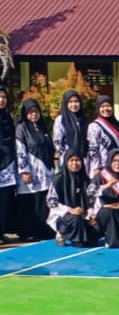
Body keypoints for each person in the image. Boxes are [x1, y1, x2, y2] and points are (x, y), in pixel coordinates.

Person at [15, 98, 55, 240]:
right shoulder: (22, 129)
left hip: (45, 171)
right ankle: (27, 232)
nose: (34, 115)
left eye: (36, 112)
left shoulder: (42, 127)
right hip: (30, 171)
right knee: (30, 202)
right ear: (25, 113)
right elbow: (20, 151)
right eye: (31, 112)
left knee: (43, 201)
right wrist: (24, 171)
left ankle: (44, 231)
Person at [46, 151, 100, 247]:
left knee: (95, 231)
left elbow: (92, 200)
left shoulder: (86, 180)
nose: (75, 163)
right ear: (66, 162)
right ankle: (61, 232)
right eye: (71, 160)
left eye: (77, 160)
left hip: (84, 214)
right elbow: (51, 201)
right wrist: (70, 210)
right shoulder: (58, 180)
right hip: (64, 215)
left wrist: (91, 213)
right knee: (76, 221)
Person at [87, 149, 119, 248]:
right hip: (104, 214)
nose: (118, 163)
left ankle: (117, 237)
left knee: (115, 214)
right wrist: (106, 186)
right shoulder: (101, 176)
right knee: (109, 211)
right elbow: (89, 193)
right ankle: (113, 240)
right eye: (114, 161)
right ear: (109, 162)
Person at [87, 95, 119, 178]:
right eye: (103, 106)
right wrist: (96, 167)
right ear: (98, 109)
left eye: (108, 106)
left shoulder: (116, 124)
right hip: (103, 167)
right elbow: (93, 148)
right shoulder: (94, 126)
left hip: (118, 165)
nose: (106, 109)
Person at [0, 86, 16, 243]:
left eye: (3, 97)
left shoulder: (8, 118)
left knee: (4, 200)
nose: (1, 100)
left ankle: (1, 231)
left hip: (7, 165)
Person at [52, 90, 88, 161]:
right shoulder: (61, 120)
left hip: (84, 159)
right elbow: (57, 141)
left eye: (76, 101)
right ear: (66, 103)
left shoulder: (84, 119)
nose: (74, 104)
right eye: (70, 102)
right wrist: (65, 156)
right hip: (68, 159)